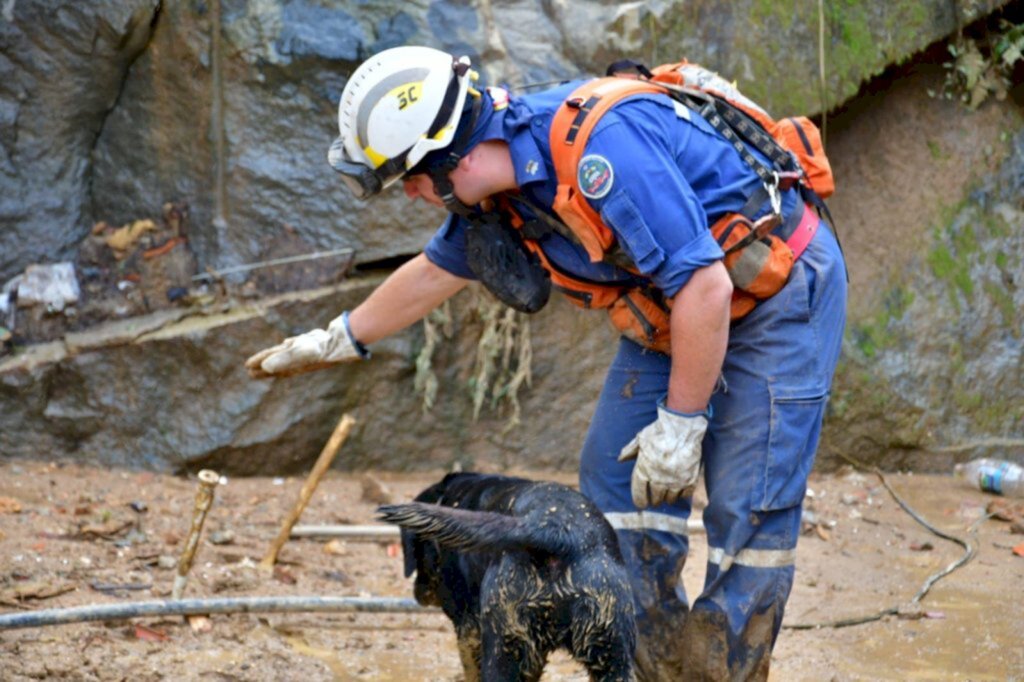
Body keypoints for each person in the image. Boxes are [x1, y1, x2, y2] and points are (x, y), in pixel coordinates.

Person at [246, 45, 847, 681]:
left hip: (775, 291)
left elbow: (707, 289)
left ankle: (729, 668)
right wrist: (340, 337)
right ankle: (656, 664)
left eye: (412, 179)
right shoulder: (495, 192)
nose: (415, 196)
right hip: (675, 310)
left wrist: (682, 422)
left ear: (454, 155)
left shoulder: (603, 151)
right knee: (612, 482)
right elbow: (436, 270)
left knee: (747, 502)